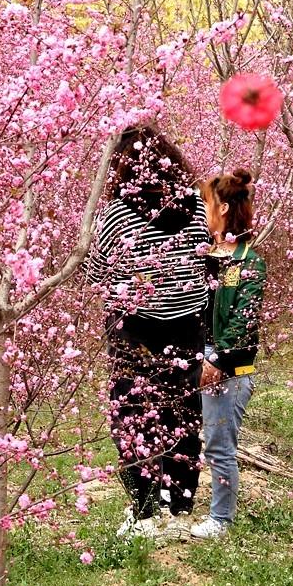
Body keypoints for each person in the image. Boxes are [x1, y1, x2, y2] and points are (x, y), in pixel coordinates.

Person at [86, 126, 209, 538]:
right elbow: (205, 259)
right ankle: (180, 505)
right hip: (188, 325)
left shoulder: (117, 214)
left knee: (131, 415)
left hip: (135, 329)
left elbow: (97, 274)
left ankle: (144, 509)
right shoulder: (196, 207)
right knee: (184, 411)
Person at [191, 169, 267, 539]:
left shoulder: (249, 262)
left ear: (222, 207)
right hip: (196, 358)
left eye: (206, 204)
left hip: (230, 367)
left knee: (220, 445)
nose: (202, 211)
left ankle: (221, 520)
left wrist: (216, 361)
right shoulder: (204, 256)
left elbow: (243, 320)